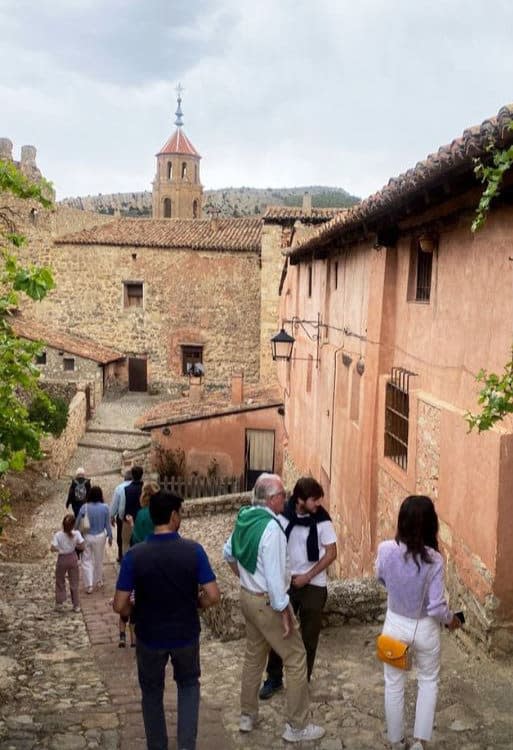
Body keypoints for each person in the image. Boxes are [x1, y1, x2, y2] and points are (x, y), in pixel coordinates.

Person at [223, 473, 325, 744]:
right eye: (282, 494)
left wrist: (245, 579)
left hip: (247, 597)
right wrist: (284, 611)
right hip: (268, 601)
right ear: (271, 499)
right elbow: (274, 576)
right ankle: (297, 725)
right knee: (296, 657)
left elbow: (228, 554)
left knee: (253, 655)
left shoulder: (244, 518)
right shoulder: (272, 530)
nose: (286, 498)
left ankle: (247, 715)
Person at [113, 490, 220, 750]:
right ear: (173, 516)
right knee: (188, 686)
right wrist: (196, 603)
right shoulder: (193, 551)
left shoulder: (135, 555)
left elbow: (119, 604)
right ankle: (186, 745)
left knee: (151, 692)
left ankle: (157, 745)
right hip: (185, 632)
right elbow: (214, 595)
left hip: (149, 634)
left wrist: (134, 609)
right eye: (180, 513)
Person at [375, 495, 462, 750]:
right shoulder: (434, 560)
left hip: (394, 623)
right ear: (431, 525)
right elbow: (436, 606)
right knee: (428, 681)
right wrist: (451, 620)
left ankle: (396, 741)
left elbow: (380, 578)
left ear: (401, 521)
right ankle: (419, 743)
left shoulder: (385, 549)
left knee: (393, 684)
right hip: (424, 627)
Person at [260, 476, 337, 699]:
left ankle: (302, 681)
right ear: (301, 500)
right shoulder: (283, 517)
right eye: (314, 500)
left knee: (309, 637)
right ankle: (274, 678)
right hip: (287, 583)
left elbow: (331, 553)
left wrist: (307, 576)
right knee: (280, 633)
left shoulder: (323, 521)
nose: (318, 505)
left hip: (314, 584)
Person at [75, 485, 113, 594]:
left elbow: (77, 523)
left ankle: (89, 585)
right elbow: (107, 525)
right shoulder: (105, 507)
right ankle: (99, 580)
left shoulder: (84, 507)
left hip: (87, 536)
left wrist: (74, 533)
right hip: (101, 536)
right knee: (99, 559)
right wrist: (110, 536)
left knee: (86, 560)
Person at [51, 513, 85, 612]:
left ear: (63, 524)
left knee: (60, 580)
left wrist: (60, 548)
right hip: (73, 558)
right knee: (74, 582)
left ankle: (60, 602)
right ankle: (76, 605)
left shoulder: (58, 535)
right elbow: (82, 546)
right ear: (73, 525)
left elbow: (52, 548)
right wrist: (74, 546)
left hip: (62, 559)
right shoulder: (77, 534)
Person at [119, 465, 144, 554]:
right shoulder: (144, 489)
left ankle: (127, 562)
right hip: (142, 520)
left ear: (132, 475)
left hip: (128, 519)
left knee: (125, 543)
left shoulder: (127, 489)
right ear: (142, 475)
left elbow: (122, 506)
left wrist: (122, 517)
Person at [110, 469, 132, 562]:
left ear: (125, 478)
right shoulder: (138, 486)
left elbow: (115, 503)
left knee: (120, 537)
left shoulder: (119, 488)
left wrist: (112, 515)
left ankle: (121, 555)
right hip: (134, 515)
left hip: (122, 517)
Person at [130, 480, 159, 545]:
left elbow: (136, 537)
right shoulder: (164, 511)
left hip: (145, 548)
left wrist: (132, 524)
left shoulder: (141, 513)